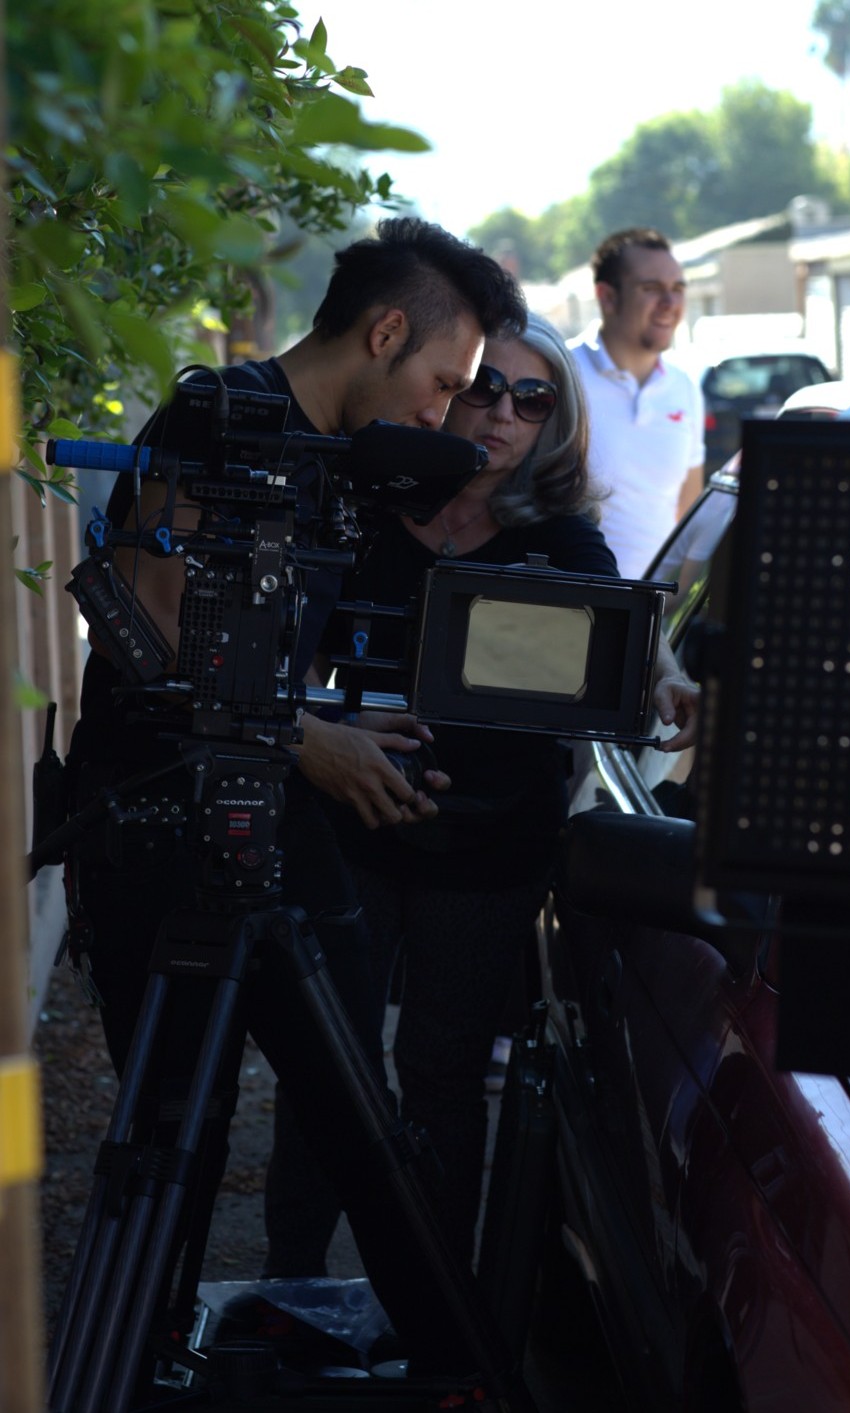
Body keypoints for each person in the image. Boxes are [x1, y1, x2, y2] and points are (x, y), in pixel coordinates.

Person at [61, 216, 528, 1376]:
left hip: (273, 813)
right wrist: (310, 739)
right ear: (382, 331)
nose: (445, 412)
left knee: (361, 1105)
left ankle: (440, 1368)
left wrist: (327, 720)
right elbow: (141, 634)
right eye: (442, 382)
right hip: (158, 833)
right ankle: (145, 1358)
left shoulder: (339, 458)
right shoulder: (218, 416)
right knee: (180, 1123)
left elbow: (242, 651)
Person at [266, 311, 700, 1278]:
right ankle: (284, 1289)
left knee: (443, 1073)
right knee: (324, 1064)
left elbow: (623, 622)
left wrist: (666, 678)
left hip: (491, 844)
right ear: (448, 390)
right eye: (484, 388)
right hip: (353, 820)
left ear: (557, 420)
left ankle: (430, 1312)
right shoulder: (366, 504)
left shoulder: (560, 531)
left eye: (531, 396)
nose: (503, 412)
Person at [569, 227, 706, 579]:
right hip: (572, 610)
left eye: (677, 289)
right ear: (608, 297)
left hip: (654, 615)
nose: (670, 303)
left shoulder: (684, 386)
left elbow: (686, 514)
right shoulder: (561, 372)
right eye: (651, 289)